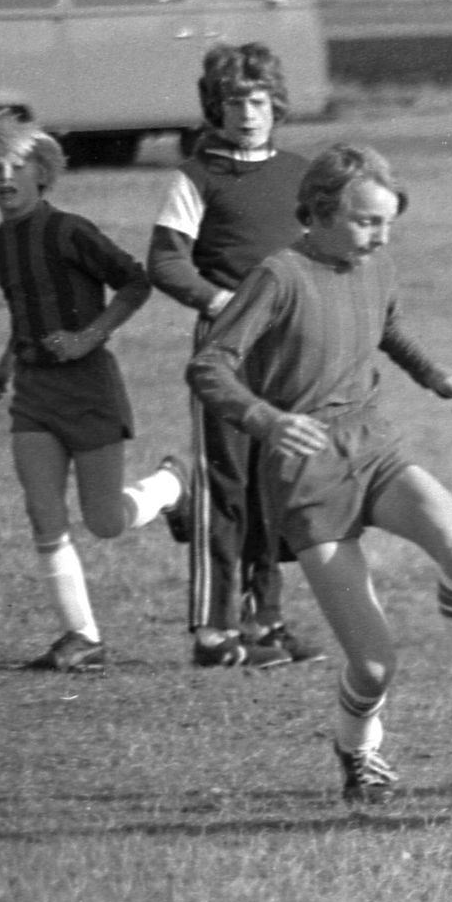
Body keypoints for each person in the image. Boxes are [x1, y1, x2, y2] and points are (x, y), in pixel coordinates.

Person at [188, 143, 452, 806]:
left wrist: (436, 377)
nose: (380, 237)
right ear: (320, 212)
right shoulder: (278, 276)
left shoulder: (375, 264)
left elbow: (388, 329)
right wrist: (266, 420)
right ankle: (358, 749)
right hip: (304, 471)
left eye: (387, 223)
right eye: (366, 222)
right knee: (375, 664)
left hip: (372, 445)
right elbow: (209, 365)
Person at [0, 119, 186, 671]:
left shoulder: (68, 231)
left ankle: (173, 485)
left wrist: (89, 336)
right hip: (33, 393)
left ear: (43, 172)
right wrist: (3, 365)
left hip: (89, 388)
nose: (6, 177)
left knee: (105, 521)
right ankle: (82, 637)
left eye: (18, 167)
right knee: (43, 512)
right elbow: (26, 312)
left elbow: (136, 282)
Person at [150, 42, 323, 668]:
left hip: (288, 351)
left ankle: (266, 621)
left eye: (257, 101)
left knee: (275, 485)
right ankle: (215, 630)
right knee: (225, 484)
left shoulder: (302, 173)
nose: (247, 114)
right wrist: (225, 302)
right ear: (214, 109)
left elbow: (322, 254)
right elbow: (166, 261)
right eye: (234, 103)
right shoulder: (196, 176)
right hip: (226, 351)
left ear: (276, 105)